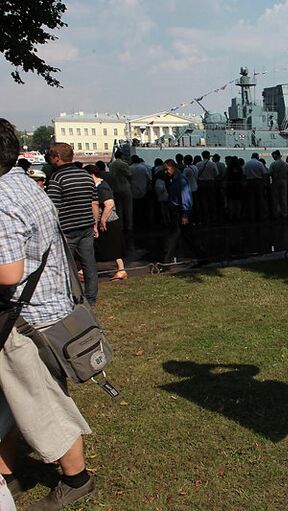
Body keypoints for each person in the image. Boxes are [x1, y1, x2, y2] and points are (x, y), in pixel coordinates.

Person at [0, 118, 95, 509]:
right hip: (50, 309)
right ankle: (6, 472)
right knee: (12, 398)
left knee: (40, 402)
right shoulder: (24, 183)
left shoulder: (1, 198)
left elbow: (8, 272)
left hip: (25, 320)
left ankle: (77, 479)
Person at [46, 143, 100, 305]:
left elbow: (54, 208)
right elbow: (94, 203)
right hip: (86, 225)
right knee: (89, 263)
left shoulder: (57, 178)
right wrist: (95, 224)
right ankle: (90, 297)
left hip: (66, 229)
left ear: (57, 157)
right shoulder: (85, 176)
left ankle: (69, 296)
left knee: (65, 265)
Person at [85, 165, 127, 280]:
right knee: (99, 246)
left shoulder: (102, 187)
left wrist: (102, 220)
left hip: (109, 221)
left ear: (91, 174)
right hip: (105, 221)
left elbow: (109, 204)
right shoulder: (98, 186)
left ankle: (121, 269)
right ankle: (120, 269)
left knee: (111, 247)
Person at [162, 159, 196, 264]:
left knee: (173, 237)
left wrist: (185, 214)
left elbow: (185, 198)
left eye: (167, 169)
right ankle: (200, 254)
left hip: (180, 211)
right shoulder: (175, 179)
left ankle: (166, 261)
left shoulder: (180, 180)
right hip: (178, 211)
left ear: (173, 167)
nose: (166, 172)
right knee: (187, 236)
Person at [108, 150, 132, 231]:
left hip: (115, 188)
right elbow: (129, 175)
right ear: (122, 156)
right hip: (125, 187)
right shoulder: (124, 164)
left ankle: (120, 226)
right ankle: (129, 226)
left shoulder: (111, 165)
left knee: (119, 209)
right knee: (128, 208)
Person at [195, 150, 219, 225]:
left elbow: (196, 175)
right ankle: (213, 218)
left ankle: (205, 219)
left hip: (201, 184)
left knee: (203, 202)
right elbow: (216, 174)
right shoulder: (212, 164)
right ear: (208, 156)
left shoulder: (198, 164)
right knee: (212, 201)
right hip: (211, 183)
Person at [129, 155, 152, 229]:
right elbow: (148, 178)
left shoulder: (130, 168)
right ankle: (145, 223)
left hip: (133, 191)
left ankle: (136, 224)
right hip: (143, 190)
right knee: (144, 209)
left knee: (135, 210)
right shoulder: (143, 168)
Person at [243, 153, 266, 221]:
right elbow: (264, 174)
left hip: (249, 182)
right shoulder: (260, 163)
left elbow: (244, 174)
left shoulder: (247, 164)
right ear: (257, 157)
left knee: (250, 200)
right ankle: (260, 215)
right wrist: (264, 183)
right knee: (259, 199)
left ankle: (251, 216)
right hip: (258, 182)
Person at [269, 150, 288, 219]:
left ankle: (276, 213)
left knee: (275, 198)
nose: (272, 157)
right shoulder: (286, 164)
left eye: (273, 156)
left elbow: (269, 173)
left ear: (275, 155)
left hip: (275, 181)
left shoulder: (273, 164)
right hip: (284, 181)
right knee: (283, 198)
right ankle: (284, 213)